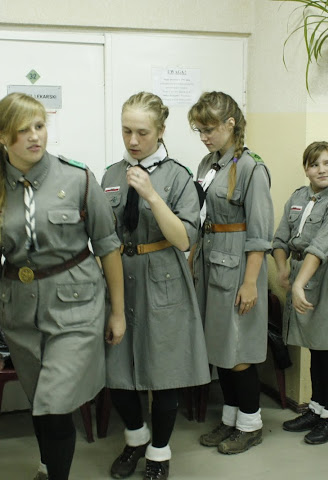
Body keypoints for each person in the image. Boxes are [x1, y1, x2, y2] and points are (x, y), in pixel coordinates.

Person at [0, 93, 126, 480]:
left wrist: (118, 311)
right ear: (3, 136)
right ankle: (47, 464)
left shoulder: (77, 178)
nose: (35, 136)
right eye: (23, 130)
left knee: (54, 404)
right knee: (40, 399)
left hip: (76, 307)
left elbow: (108, 247)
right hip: (20, 312)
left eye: (39, 126)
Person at [103, 92, 210, 480]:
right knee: (117, 369)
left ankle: (159, 453)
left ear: (161, 131)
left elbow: (183, 239)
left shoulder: (178, 176)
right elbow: (102, 234)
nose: (133, 141)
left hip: (164, 278)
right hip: (120, 280)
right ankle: (135, 437)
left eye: (142, 133)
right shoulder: (110, 175)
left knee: (165, 372)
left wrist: (150, 194)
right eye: (126, 131)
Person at [189, 91, 274, 455]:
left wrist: (251, 282)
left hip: (239, 266)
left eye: (209, 129)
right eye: (199, 130)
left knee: (239, 352)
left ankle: (251, 425)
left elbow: (260, 233)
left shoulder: (252, 168)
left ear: (230, 124)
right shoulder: (208, 163)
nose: (204, 137)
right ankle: (230, 419)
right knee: (221, 347)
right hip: (211, 261)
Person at [275, 141, 328, 445]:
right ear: (306, 169)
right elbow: (280, 239)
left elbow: (320, 248)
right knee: (315, 345)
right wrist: (283, 269)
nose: (322, 170)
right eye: (314, 164)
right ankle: (316, 408)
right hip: (305, 275)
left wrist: (298, 283)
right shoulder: (298, 197)